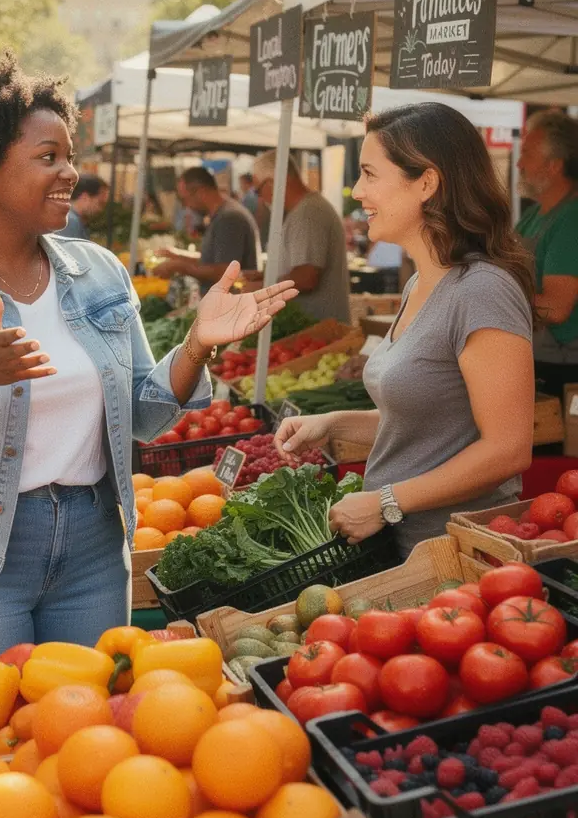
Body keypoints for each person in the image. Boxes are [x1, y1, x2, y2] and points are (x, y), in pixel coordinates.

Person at [0, 53, 296, 672]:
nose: (71, 172)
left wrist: (198, 344)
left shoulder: (99, 274)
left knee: (82, 739)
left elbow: (144, 414)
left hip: (93, 550)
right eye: (49, 158)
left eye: (70, 156)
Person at [276, 103, 535, 559]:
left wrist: (386, 502)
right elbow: (430, 425)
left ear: (427, 183)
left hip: (457, 558)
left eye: (370, 175)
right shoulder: (421, 282)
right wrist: (336, 423)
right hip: (404, 552)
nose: (357, 191)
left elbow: (508, 450)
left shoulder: (482, 290)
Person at [516, 109, 578, 406]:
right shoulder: (532, 215)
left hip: (563, 371)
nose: (518, 164)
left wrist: (495, 297)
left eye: (526, 154)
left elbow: (555, 308)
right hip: (534, 358)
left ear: (553, 166)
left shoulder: (571, 218)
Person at [247, 151, 351, 323]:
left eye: (258, 190)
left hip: (317, 332)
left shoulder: (308, 213)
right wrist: (265, 277)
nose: (261, 198)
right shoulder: (305, 210)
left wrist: (262, 288)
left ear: (274, 182)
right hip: (312, 331)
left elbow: (306, 277)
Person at [153, 166, 260, 296]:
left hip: (230, 307)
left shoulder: (229, 218)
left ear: (201, 192)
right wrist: (177, 255)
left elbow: (224, 273)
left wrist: (180, 266)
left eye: (184, 199)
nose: (186, 206)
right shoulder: (222, 214)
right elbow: (212, 260)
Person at [59, 174, 109, 240]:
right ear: (85, 198)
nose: (101, 209)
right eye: (100, 203)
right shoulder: (70, 222)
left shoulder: (68, 218)